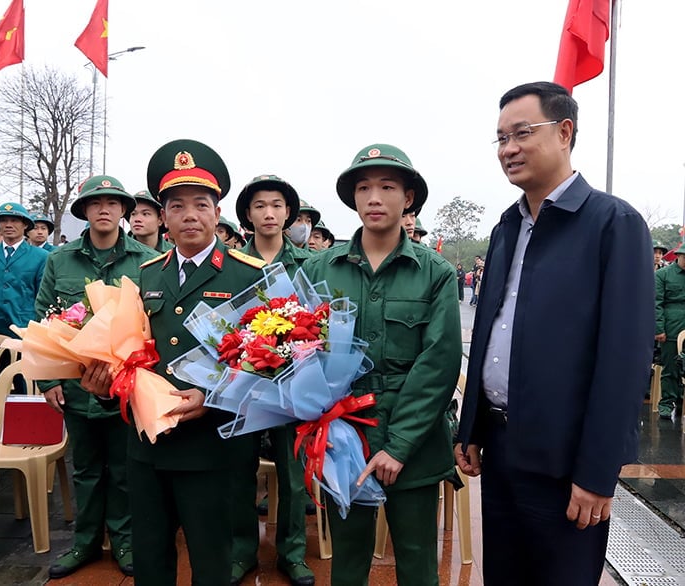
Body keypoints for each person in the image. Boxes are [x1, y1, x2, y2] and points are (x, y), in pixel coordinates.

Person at [454, 81, 654, 586]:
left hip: (565, 463)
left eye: (522, 133)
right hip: (501, 450)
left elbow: (623, 359)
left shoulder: (613, 224)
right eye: (500, 138)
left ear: (565, 132)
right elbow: (489, 333)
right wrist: (471, 427)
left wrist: (596, 472)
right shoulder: (506, 228)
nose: (508, 148)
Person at [80, 139, 268, 586]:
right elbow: (131, 356)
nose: (190, 215)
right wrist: (105, 383)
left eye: (201, 204)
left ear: (217, 213)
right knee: (150, 559)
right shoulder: (145, 276)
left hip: (213, 447)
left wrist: (214, 395)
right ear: (162, 217)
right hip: (147, 448)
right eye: (177, 205)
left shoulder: (249, 275)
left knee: (211, 562)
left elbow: (273, 369)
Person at [302, 144, 462, 585]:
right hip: (345, 438)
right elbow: (296, 351)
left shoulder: (435, 273)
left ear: (408, 198)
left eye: (387, 187)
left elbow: (439, 364)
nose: (374, 198)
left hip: (415, 445)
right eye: (364, 188)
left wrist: (400, 445)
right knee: (347, 562)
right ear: (353, 198)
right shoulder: (319, 269)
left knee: (416, 561)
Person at [35, 175, 157, 579]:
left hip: (126, 387)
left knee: (124, 470)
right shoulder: (60, 259)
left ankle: (123, 540)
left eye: (112, 202)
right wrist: (48, 381)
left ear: (124, 210)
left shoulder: (146, 260)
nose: (104, 209)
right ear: (84, 211)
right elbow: (44, 319)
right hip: (76, 386)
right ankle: (85, 541)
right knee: (85, 468)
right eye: (95, 202)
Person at [231, 174, 315, 586]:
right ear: (247, 214)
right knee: (238, 472)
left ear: (289, 213)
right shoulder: (231, 264)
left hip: (294, 387)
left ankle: (292, 552)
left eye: (277, 205)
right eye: (260, 205)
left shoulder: (310, 264)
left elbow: (320, 323)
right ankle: (242, 550)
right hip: (244, 389)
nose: (269, 213)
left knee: (293, 475)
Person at [0, 203, 48, 338]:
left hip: (23, 330)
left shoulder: (41, 257)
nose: (8, 225)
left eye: (14, 220)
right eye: (3, 221)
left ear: (25, 225)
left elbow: (42, 297)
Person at [654, 248, 685, 418]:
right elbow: (656, 303)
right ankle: (666, 403)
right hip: (671, 328)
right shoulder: (663, 274)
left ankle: (681, 400)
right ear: (679, 256)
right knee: (671, 368)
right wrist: (659, 329)